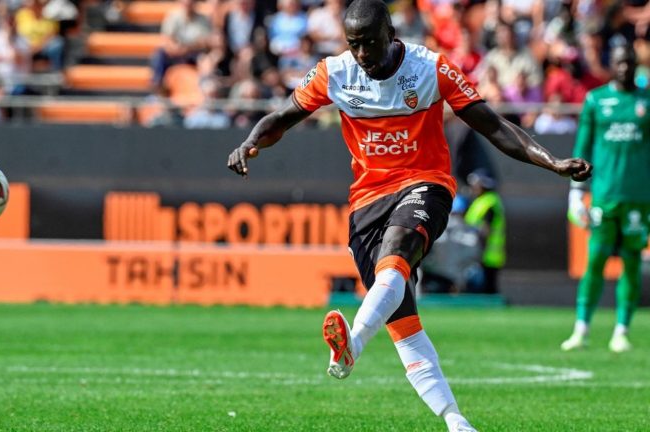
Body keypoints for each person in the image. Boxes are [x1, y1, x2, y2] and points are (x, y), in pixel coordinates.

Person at [226, 1, 592, 430]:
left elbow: (492, 125)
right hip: (366, 203)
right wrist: (250, 141)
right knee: (405, 326)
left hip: (426, 183)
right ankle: (457, 423)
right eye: (354, 44)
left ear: (392, 33)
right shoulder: (335, 72)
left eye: (370, 43)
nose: (362, 54)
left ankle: (354, 342)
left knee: (399, 248)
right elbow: (284, 117)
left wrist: (551, 162)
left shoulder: (430, 68)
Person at [561, 45, 650, 354]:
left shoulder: (646, 102)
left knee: (631, 263)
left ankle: (622, 331)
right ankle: (581, 329)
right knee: (595, 261)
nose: (624, 67)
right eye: (619, 62)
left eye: (629, 62)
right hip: (604, 196)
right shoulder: (596, 100)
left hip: (639, 198)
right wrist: (576, 194)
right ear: (611, 65)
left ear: (636, 65)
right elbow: (582, 148)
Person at [464, 170, 506, 294]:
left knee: (487, 290)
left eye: (475, 183)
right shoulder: (480, 201)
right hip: (479, 254)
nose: (473, 187)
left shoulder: (490, 202)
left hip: (487, 255)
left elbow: (486, 230)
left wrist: (478, 253)